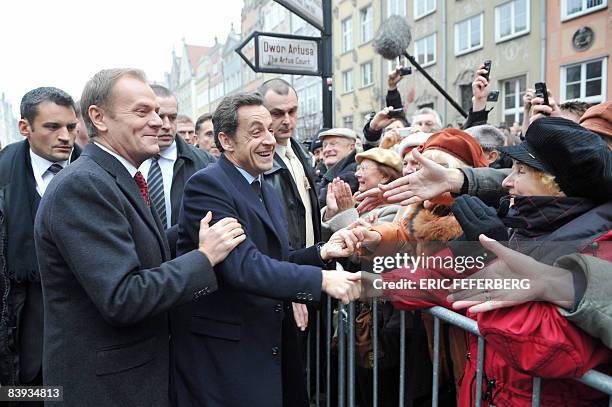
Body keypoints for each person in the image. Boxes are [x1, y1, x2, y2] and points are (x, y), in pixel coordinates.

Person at [34, 68, 245, 407]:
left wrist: (192, 229)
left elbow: (138, 249)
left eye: (159, 113)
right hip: (107, 391)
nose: (160, 123)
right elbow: (123, 297)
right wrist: (204, 258)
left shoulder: (117, 176)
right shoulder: (83, 185)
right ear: (99, 118)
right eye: (143, 112)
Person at [170, 92, 361, 407]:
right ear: (226, 141)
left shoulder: (264, 186)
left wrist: (323, 252)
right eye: (256, 132)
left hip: (265, 345)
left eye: (270, 131)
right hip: (225, 356)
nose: (270, 140)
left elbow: (278, 260)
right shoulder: (208, 186)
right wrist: (321, 281)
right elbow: (242, 266)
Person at [0, 87, 81, 389]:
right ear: (25, 128)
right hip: (21, 345)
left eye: (71, 127)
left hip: (85, 343)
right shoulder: (3, 179)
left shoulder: (99, 176)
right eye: (52, 127)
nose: (65, 136)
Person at [139, 85, 215, 256]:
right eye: (160, 116)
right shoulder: (128, 161)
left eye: (172, 117)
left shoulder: (204, 162)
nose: (166, 125)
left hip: (193, 262)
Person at [321, 147, 402, 235]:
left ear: (385, 176)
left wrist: (347, 211)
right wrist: (331, 213)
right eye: (358, 169)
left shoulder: (394, 211)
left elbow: (363, 244)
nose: (356, 174)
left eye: (363, 169)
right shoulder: (357, 203)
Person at [317, 127, 359, 207]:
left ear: (351, 147)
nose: (327, 149)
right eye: (325, 146)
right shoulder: (325, 173)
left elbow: (319, 202)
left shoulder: (351, 174)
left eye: (333, 144)